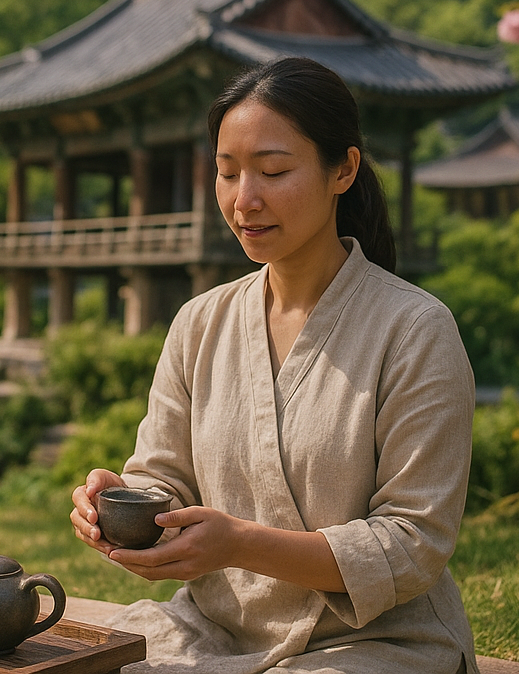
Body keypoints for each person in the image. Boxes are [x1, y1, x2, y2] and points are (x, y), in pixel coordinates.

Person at [70, 58, 478, 674]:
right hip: (214, 627)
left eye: (274, 170)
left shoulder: (415, 329)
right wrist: (125, 504)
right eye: (226, 173)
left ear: (343, 169)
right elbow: (165, 480)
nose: (244, 200)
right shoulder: (198, 322)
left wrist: (238, 544)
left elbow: (414, 542)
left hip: (376, 643)